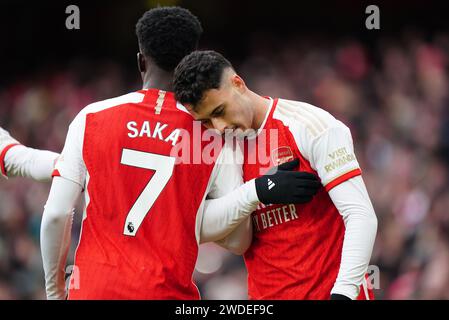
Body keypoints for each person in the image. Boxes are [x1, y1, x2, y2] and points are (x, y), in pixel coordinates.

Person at [38, 8, 321, 300]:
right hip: (168, 294)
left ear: (140, 61)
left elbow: (57, 214)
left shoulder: (92, 118)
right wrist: (184, 216)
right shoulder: (211, 133)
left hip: (94, 291)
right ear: (191, 61)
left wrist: (55, 292)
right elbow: (239, 239)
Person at [173, 50, 378, 300]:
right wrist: (257, 191)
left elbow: (360, 215)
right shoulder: (218, 152)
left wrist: (344, 292)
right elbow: (203, 228)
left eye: (219, 111)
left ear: (238, 84)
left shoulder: (311, 126)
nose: (219, 127)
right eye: (205, 121)